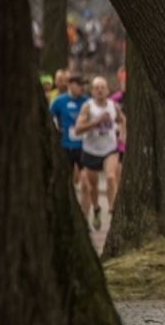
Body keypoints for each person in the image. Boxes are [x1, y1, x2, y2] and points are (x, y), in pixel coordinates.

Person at [73, 76, 127, 230]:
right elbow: (78, 129)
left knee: (111, 177)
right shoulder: (87, 107)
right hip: (91, 151)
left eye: (103, 87)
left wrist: (123, 135)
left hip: (110, 149)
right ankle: (96, 208)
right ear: (92, 91)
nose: (100, 90)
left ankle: (113, 210)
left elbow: (122, 120)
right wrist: (96, 122)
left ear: (108, 90)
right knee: (93, 186)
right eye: (96, 88)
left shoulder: (113, 106)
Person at [50, 74, 89, 213]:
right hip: (65, 146)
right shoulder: (59, 101)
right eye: (79, 85)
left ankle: (85, 216)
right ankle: (67, 212)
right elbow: (49, 119)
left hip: (84, 147)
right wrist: (56, 133)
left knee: (86, 183)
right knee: (67, 184)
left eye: (84, 85)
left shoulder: (87, 101)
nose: (82, 88)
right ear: (70, 85)